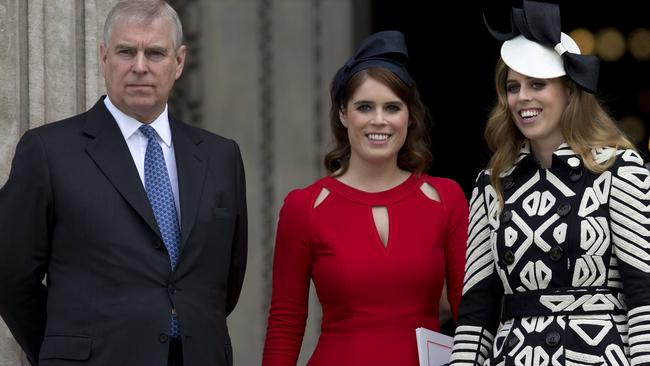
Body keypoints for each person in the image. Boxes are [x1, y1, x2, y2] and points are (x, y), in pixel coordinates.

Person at [0, 1, 247, 365]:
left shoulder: (220, 155)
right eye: (126, 51)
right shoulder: (49, 151)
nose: (140, 67)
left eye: (155, 53)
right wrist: (64, 349)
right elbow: (9, 274)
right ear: (104, 57)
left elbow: (226, 279)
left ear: (179, 62)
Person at [450, 1, 650, 365]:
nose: (522, 97)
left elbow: (644, 297)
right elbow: (476, 312)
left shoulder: (621, 170)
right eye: (513, 86)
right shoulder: (490, 183)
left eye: (537, 84)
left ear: (570, 91)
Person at [262, 30, 468, 366]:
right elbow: (286, 321)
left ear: (409, 115)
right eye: (364, 107)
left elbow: (469, 312)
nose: (379, 120)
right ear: (344, 114)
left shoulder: (446, 198)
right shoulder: (305, 207)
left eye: (392, 107)